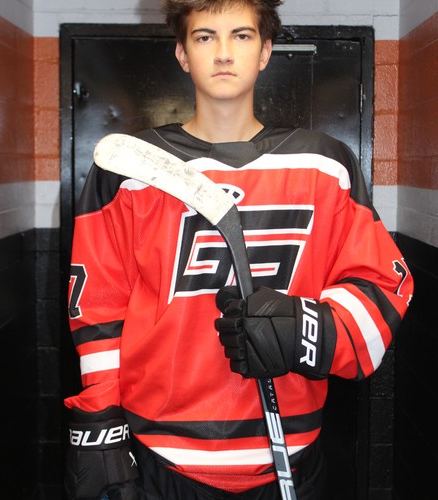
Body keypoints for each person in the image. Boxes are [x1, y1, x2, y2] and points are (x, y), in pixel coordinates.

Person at [64, 0, 414, 499]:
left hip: (291, 453)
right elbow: (99, 307)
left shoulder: (326, 166)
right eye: (205, 37)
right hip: (160, 455)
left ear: (266, 51)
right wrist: (101, 424)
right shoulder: (130, 170)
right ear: (182, 54)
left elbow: (383, 284)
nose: (224, 52)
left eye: (242, 36)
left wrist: (308, 331)